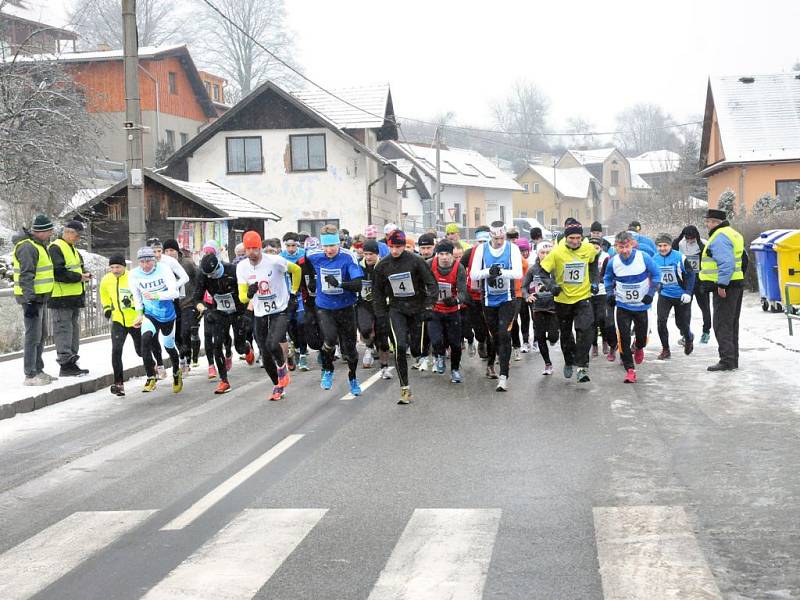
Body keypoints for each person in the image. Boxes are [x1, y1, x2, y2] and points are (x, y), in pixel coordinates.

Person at [373, 229, 437, 404]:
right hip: (396, 309)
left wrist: (429, 305)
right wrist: (380, 317)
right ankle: (405, 389)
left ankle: (422, 354)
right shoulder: (382, 266)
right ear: (388, 246)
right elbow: (377, 293)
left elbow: (431, 284)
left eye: (399, 247)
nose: (395, 251)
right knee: (400, 346)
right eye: (392, 247)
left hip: (417, 309)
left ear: (404, 246)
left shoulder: (416, 261)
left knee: (417, 350)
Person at [236, 230, 301, 400]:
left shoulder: (274, 261)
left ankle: (282, 368)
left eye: (255, 248)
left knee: (273, 344)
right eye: (248, 249)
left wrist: (293, 293)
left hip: (280, 309)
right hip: (260, 312)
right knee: (265, 354)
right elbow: (242, 297)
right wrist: (249, 293)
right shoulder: (242, 267)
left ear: (260, 248)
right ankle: (277, 385)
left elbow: (297, 270)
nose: (252, 252)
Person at [304, 225, 364, 395]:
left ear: (339, 244)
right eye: (326, 246)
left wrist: (340, 284)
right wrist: (310, 279)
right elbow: (302, 262)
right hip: (325, 307)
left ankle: (352, 377)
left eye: (332, 246)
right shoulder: (314, 255)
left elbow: (358, 285)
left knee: (350, 350)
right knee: (329, 339)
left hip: (345, 307)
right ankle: (328, 369)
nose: (329, 250)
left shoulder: (348, 257)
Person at [539, 221, 599, 383]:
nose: (575, 241)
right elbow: (542, 272)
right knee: (566, 334)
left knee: (585, 330)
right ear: (566, 237)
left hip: (583, 297)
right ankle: (568, 361)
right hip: (562, 300)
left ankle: (582, 366)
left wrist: (594, 280)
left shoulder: (588, 249)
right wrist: (552, 286)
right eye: (571, 238)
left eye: (578, 237)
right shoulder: (557, 253)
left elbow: (594, 262)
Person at [469, 221, 523, 391]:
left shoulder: (512, 249)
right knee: (494, 336)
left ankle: (503, 376)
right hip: (488, 300)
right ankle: (492, 362)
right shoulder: (481, 250)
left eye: (502, 238)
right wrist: (488, 272)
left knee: (504, 333)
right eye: (496, 238)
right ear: (490, 236)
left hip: (507, 298)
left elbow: (518, 273)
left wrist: (499, 272)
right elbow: (474, 274)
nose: (499, 241)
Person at [604, 231, 661, 383]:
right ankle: (630, 370)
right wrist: (610, 293)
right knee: (623, 338)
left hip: (642, 306)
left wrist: (651, 292)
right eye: (621, 247)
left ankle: (639, 346)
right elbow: (608, 278)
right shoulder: (613, 262)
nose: (624, 250)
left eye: (627, 246)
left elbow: (656, 275)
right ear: (616, 247)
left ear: (632, 245)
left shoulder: (644, 258)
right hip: (622, 305)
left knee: (642, 338)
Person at [195, 253, 255, 394]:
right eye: (207, 275)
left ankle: (246, 348)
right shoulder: (204, 275)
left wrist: (248, 312)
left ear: (218, 266)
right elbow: (196, 299)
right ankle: (224, 381)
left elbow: (252, 292)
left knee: (239, 347)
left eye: (213, 273)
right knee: (217, 345)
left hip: (238, 311)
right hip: (219, 312)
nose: (210, 277)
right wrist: (204, 311)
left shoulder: (234, 270)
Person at [129, 246, 182, 394]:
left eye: (148, 261)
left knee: (169, 346)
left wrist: (157, 295)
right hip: (150, 314)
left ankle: (177, 373)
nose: (145, 265)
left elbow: (174, 292)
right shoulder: (134, 274)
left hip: (167, 314)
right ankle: (150, 376)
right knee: (145, 341)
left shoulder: (163, 269)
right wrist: (139, 313)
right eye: (142, 262)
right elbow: (137, 296)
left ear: (154, 261)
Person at [698, 209, 747, 371]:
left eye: (709, 221)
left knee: (722, 324)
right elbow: (743, 259)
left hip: (725, 287)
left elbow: (726, 263)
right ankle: (732, 360)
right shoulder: (734, 234)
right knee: (732, 324)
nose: (707, 224)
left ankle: (726, 361)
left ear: (714, 222)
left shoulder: (719, 237)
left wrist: (722, 285)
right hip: (735, 284)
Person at [13, 214, 57, 386]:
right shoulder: (28, 247)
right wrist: (30, 300)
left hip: (40, 298)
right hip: (32, 299)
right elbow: (26, 276)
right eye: (49, 230)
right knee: (33, 336)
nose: (52, 233)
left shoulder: (38, 245)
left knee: (41, 334)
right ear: (41, 231)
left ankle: (38, 369)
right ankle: (30, 374)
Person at [48, 220, 91, 376]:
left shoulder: (71, 248)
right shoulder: (56, 248)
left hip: (72, 297)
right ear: (68, 232)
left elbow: (75, 268)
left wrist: (84, 275)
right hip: (61, 298)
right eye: (77, 235)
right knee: (63, 331)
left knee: (72, 331)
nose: (78, 239)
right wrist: (79, 277)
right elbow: (57, 272)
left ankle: (71, 362)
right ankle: (65, 364)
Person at [427, 240, 468, 383]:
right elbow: (420, 283)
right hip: (435, 310)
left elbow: (463, 293)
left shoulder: (459, 268)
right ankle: (439, 356)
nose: (444, 257)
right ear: (437, 255)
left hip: (452, 312)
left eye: (447, 254)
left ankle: (455, 370)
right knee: (436, 340)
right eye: (441, 254)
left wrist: (455, 300)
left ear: (452, 255)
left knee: (455, 344)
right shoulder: (430, 264)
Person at [100, 255, 141, 396]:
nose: (115, 270)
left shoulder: (133, 277)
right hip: (118, 320)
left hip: (135, 320)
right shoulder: (106, 279)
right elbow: (104, 294)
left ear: (124, 266)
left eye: (118, 267)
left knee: (141, 351)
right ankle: (119, 384)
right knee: (116, 351)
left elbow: (141, 295)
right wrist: (106, 308)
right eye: (112, 267)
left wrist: (142, 313)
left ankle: (152, 365)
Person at [653, 233, 696, 359]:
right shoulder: (654, 258)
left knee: (681, 324)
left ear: (670, 245)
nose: (662, 248)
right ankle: (665, 349)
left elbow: (691, 275)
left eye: (665, 245)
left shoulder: (679, 257)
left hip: (681, 295)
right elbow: (651, 275)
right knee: (661, 321)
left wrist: (688, 292)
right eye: (659, 246)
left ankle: (688, 338)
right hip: (665, 295)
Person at [357, 239, 393, 378]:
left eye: (371, 254)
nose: (368, 257)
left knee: (382, 336)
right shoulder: (358, 265)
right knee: (365, 329)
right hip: (364, 303)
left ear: (377, 254)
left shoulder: (384, 265)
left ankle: (384, 367)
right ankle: (369, 347)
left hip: (382, 305)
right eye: (366, 254)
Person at [522, 241, 559, 374]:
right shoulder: (533, 269)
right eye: (542, 252)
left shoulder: (557, 267)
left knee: (554, 336)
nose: (545, 255)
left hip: (554, 307)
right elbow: (524, 287)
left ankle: (554, 339)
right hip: (538, 307)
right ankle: (547, 364)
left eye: (548, 252)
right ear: (538, 254)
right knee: (540, 336)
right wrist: (527, 296)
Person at [163, 239, 198, 375]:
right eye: (166, 251)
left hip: (188, 302)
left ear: (177, 251)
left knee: (185, 331)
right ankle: (182, 356)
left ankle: (187, 360)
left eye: (172, 250)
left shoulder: (187, 263)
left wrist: (198, 297)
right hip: (172, 304)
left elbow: (198, 278)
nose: (169, 253)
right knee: (176, 334)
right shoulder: (162, 266)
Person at [673, 225, 711, 344]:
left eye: (692, 238)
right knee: (685, 310)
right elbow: (673, 255)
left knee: (705, 308)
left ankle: (706, 332)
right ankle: (686, 334)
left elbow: (710, 260)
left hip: (701, 281)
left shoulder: (703, 243)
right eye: (687, 238)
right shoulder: (680, 244)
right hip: (687, 282)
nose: (689, 240)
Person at [461, 226, 492, 359]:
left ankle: (490, 347)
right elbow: (459, 270)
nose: (482, 245)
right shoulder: (469, 253)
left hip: (490, 294)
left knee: (490, 323)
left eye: (485, 242)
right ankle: (481, 340)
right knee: (478, 325)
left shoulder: (495, 253)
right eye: (480, 242)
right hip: (473, 295)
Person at [281, 232, 309, 371]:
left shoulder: (304, 255)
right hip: (286, 297)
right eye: (288, 246)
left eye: (293, 245)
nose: (291, 249)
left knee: (301, 324)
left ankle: (303, 355)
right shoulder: (280, 257)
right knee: (291, 326)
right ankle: (297, 348)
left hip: (300, 295)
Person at [588, 236, 615, 359]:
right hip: (588, 292)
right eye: (592, 247)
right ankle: (594, 345)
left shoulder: (606, 257)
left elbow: (608, 274)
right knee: (592, 321)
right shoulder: (585, 255)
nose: (595, 250)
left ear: (601, 247)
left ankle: (605, 341)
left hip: (602, 292)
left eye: (597, 247)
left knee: (602, 318)